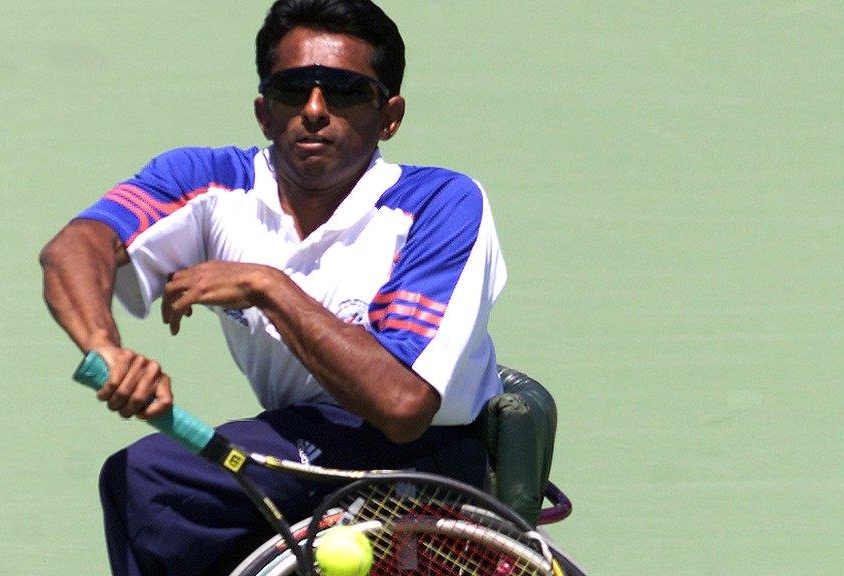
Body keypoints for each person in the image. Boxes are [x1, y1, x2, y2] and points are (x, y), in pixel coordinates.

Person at [40, 0, 508, 573]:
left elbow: (402, 404)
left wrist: (269, 286)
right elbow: (76, 247)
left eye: (344, 91)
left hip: (425, 459)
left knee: (155, 478)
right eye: (293, 90)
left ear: (389, 116)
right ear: (264, 112)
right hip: (300, 447)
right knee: (151, 484)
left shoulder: (441, 204)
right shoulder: (206, 182)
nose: (314, 110)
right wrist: (106, 350)